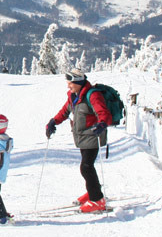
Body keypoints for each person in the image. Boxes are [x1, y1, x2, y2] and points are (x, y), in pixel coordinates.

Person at [45, 68, 112, 212]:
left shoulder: (92, 95)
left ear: (78, 82)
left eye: (70, 83)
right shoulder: (74, 95)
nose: (68, 86)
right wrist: (53, 122)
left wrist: (101, 124)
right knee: (87, 167)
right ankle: (93, 191)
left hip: (93, 135)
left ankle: (97, 200)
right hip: (82, 137)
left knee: (86, 167)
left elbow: (104, 113)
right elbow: (65, 111)